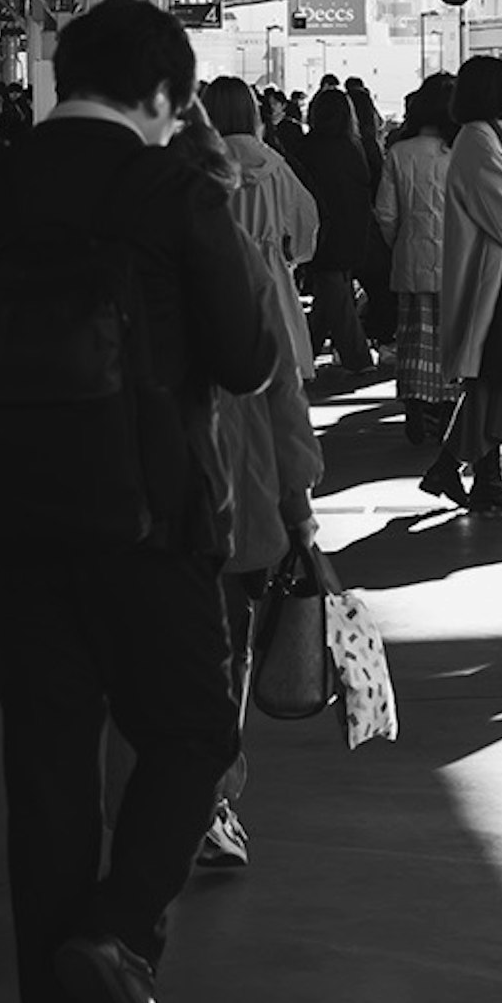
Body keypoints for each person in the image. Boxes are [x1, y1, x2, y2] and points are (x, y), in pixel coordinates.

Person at [0, 0, 279, 1003]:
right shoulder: (171, 187)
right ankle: (118, 935)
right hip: (146, 523)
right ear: (162, 96)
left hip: (4, 528)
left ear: (68, 77)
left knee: (48, 768)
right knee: (192, 731)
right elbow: (247, 359)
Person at [184, 77, 324, 871]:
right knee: (222, 651)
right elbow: (275, 385)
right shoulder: (238, 249)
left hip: (118, 500)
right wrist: (298, 497)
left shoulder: (92, 248)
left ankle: (169, 797)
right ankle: (209, 799)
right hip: (231, 485)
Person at [423, 56, 502, 513]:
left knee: (492, 379)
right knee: (494, 378)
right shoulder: (478, 143)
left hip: (491, 278)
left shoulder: (484, 139)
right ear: (494, 92)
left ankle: (464, 470)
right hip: (489, 281)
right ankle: (471, 472)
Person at [373, 74, 461, 442]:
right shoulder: (461, 152)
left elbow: (386, 213)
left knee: (414, 339)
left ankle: (415, 404)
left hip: (411, 260)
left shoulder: (399, 153)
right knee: (451, 341)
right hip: (457, 264)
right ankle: (447, 411)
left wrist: (402, 242)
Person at [287, 71, 377, 374]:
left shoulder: (307, 148)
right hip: (354, 231)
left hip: (321, 233)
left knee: (334, 296)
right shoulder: (355, 148)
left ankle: (357, 358)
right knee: (333, 296)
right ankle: (307, 353)